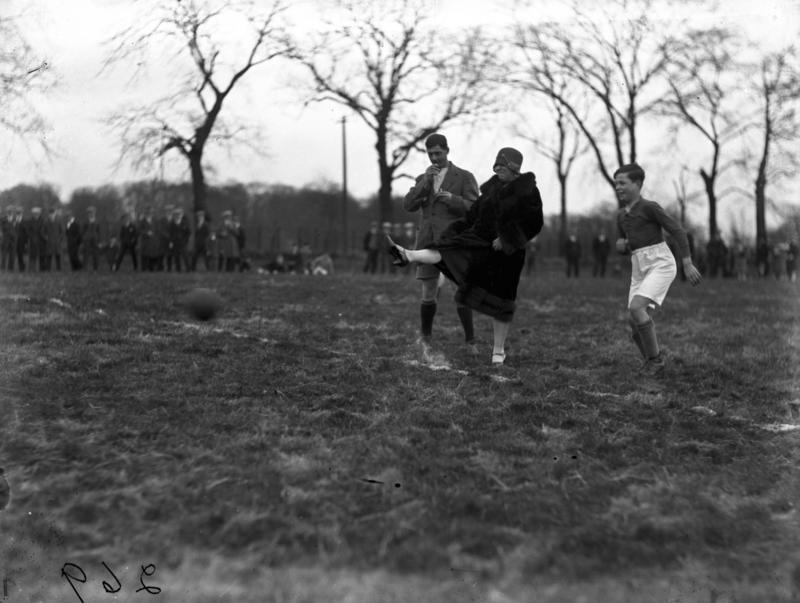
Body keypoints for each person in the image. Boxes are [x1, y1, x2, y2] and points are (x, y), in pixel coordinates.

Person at [389, 146, 543, 365]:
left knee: (503, 300)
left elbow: (534, 223)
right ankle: (409, 255)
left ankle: (498, 351)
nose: (498, 169)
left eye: (502, 166)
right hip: (480, 244)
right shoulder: (490, 189)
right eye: (496, 165)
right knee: (446, 250)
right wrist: (455, 231)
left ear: (514, 169)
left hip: (508, 255)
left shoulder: (528, 191)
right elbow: (472, 215)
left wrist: (507, 239)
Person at [614, 163, 701, 376]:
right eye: (616, 183)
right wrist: (623, 247)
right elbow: (631, 243)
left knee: (637, 308)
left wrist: (687, 263)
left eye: (622, 183)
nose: (618, 187)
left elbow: (678, 231)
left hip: (660, 262)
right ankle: (651, 363)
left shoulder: (649, 207)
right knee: (633, 321)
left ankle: (656, 361)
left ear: (638, 184)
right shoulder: (620, 216)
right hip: (639, 266)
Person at [402, 133, 480, 349]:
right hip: (427, 242)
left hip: (454, 244)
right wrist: (425, 182)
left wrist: (453, 200)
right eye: (430, 154)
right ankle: (426, 337)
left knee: (459, 291)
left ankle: (470, 341)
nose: (434, 158)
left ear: (447, 150)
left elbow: (475, 209)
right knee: (428, 291)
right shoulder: (423, 178)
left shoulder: (464, 177)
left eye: (438, 153)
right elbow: (408, 205)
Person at [42, 207, 65, 271]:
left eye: (52, 213)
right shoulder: (46, 221)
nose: (51, 215)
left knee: (58, 256)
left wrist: (60, 239)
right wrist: (45, 237)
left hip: (57, 242)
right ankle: (48, 269)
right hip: (49, 242)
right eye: (50, 213)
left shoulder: (59, 221)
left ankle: (59, 269)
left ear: (55, 213)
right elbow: (42, 231)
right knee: (49, 256)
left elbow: (62, 231)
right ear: (49, 214)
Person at [82, 206, 102, 272]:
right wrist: (84, 238)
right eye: (89, 212)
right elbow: (83, 230)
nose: (91, 214)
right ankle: (85, 268)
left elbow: (99, 231)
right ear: (88, 213)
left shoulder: (97, 221)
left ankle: (95, 268)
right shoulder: (85, 221)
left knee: (95, 254)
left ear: (94, 213)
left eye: (92, 212)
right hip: (87, 239)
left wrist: (99, 241)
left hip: (95, 239)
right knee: (86, 254)